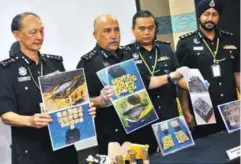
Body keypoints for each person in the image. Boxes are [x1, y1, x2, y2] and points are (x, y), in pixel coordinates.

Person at [0, 12, 96, 164]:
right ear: (17, 35)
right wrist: (30, 120)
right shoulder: (6, 70)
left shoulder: (54, 63)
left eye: (41, 31)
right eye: (33, 32)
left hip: (63, 145)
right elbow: (6, 115)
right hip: (31, 150)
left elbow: (68, 100)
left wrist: (84, 109)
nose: (39, 36)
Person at [126, 10, 190, 154]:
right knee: (146, 158)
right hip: (142, 119)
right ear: (133, 30)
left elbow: (178, 78)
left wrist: (196, 86)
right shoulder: (126, 54)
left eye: (150, 28)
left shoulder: (166, 49)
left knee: (176, 156)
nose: (147, 32)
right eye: (141, 29)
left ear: (155, 29)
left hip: (169, 115)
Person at [175, 0, 240, 138]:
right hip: (203, 109)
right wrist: (186, 111)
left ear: (219, 17)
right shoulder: (185, 44)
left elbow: (238, 73)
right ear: (199, 16)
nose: (210, 18)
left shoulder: (231, 40)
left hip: (230, 106)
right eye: (206, 14)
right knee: (209, 149)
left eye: (214, 14)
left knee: (235, 143)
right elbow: (181, 82)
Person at [76, 14, 133, 154]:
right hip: (110, 131)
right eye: (107, 31)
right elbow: (78, 103)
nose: (114, 35)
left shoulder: (128, 55)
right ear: (95, 35)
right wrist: (100, 100)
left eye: (117, 30)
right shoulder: (87, 63)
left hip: (136, 124)